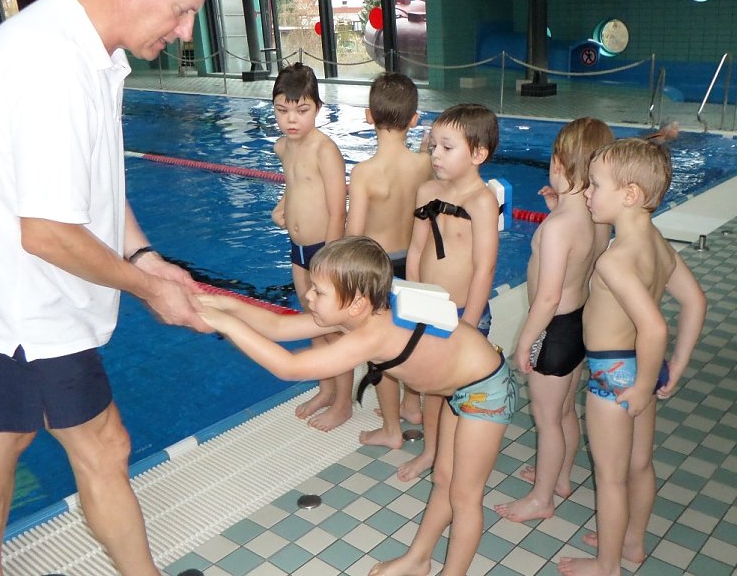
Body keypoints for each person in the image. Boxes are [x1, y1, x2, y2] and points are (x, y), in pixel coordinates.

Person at [0, 0, 212, 574]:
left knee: (6, 437)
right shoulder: (51, 66)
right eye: (182, 10)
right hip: (21, 302)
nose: (186, 30)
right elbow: (48, 233)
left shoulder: (77, 43)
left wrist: (144, 254)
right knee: (104, 446)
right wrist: (146, 287)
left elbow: (92, 184)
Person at [196, 236, 518, 576]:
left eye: (318, 292)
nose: (307, 295)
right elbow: (279, 326)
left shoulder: (372, 334)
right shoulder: (359, 313)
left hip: (485, 390)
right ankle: (418, 560)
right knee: (443, 478)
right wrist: (226, 305)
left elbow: (288, 367)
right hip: (459, 385)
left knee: (464, 497)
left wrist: (226, 323)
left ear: (356, 304)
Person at [558, 138, 706, 576]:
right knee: (640, 463)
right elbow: (695, 302)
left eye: (595, 185)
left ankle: (607, 564)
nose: (586, 193)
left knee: (611, 476)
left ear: (630, 195)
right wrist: (672, 368)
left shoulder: (614, 260)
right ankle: (632, 543)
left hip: (615, 375)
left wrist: (640, 389)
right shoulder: (657, 243)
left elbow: (654, 327)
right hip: (645, 366)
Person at [494, 118, 613, 523]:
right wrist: (558, 207)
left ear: (559, 163)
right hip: (579, 324)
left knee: (546, 420)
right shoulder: (597, 219)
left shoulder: (559, 227)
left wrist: (526, 339)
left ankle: (541, 499)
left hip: (553, 328)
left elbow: (546, 296)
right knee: (565, 411)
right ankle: (561, 478)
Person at [396, 103, 500, 482]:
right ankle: (431, 452)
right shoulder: (427, 191)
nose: (435, 154)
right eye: (433, 145)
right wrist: (410, 300)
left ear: (478, 154)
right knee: (433, 389)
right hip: (429, 308)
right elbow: (417, 250)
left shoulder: (482, 201)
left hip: (463, 313)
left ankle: (454, 458)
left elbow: (484, 267)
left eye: (446, 147)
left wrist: (469, 325)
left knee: (459, 392)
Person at [345, 72, 433, 449]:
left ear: (368, 116)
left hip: (379, 271)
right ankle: (413, 404)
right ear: (414, 119)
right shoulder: (424, 165)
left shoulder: (365, 174)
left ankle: (392, 430)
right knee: (411, 337)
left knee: (380, 352)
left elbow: (353, 237)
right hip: (416, 263)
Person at [270, 63, 348, 431]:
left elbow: (337, 208)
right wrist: (283, 206)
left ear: (317, 108)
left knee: (334, 331)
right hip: (298, 250)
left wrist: (329, 262)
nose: (291, 120)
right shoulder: (283, 147)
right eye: (282, 111)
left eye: (302, 111)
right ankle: (326, 387)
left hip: (323, 252)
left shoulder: (325, 150)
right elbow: (294, 183)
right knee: (313, 324)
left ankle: (344, 403)